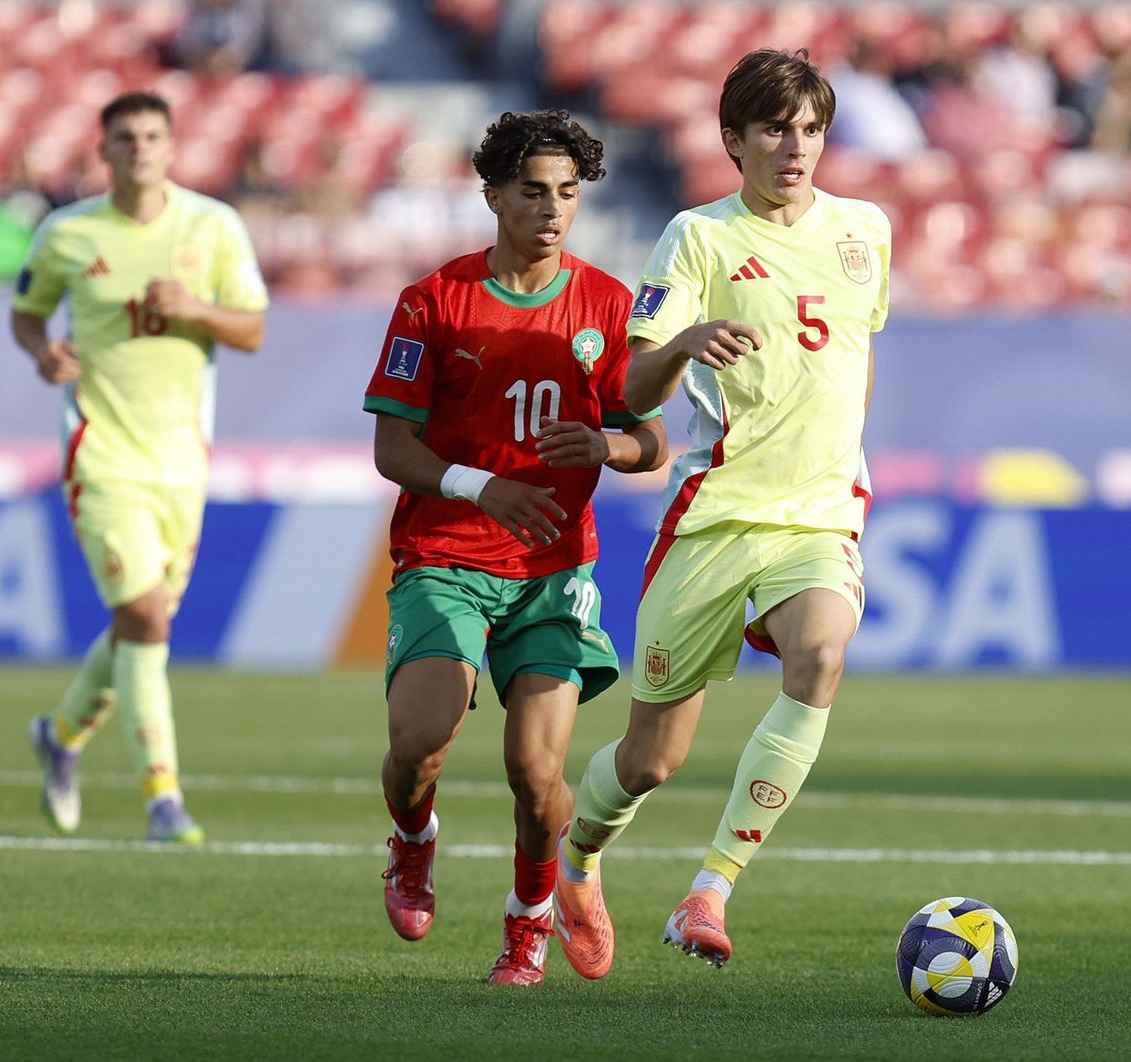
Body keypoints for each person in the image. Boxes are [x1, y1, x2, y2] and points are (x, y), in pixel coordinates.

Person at [552, 48, 891, 977]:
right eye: (776, 128)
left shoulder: (867, 230)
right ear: (733, 140)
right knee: (651, 757)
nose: (796, 146)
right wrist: (688, 339)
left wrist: (836, 460)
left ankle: (712, 887)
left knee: (822, 653)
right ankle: (575, 862)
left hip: (818, 513)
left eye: (811, 128)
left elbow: (855, 353)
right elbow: (631, 378)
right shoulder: (697, 238)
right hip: (712, 517)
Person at [362, 110, 667, 987]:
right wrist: (482, 485)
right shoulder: (434, 301)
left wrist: (609, 447)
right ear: (493, 194)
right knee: (419, 744)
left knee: (537, 776)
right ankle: (413, 840)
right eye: (533, 191)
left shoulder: (607, 305)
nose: (553, 208)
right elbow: (393, 450)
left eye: (568, 193)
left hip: (551, 572)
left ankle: (528, 923)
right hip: (447, 557)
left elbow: (651, 442)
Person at [11, 91, 269, 843]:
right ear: (104, 150)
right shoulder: (67, 233)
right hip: (102, 452)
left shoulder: (213, 226)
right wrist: (42, 351)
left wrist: (194, 308)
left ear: (172, 147)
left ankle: (61, 737)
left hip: (182, 460)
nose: (139, 148)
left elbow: (251, 330)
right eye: (125, 137)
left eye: (153, 135)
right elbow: (27, 313)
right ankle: (163, 798)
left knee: (139, 622)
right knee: (146, 618)